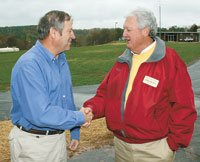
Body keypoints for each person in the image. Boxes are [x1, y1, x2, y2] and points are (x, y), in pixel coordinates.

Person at [82, 8, 197, 162]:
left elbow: (184, 106)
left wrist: (172, 145)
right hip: (122, 147)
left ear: (145, 31)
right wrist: (91, 108)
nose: (124, 34)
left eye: (128, 29)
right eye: (124, 29)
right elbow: (105, 95)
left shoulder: (169, 61)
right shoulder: (122, 61)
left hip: (155, 150)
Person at [9, 10, 92, 162]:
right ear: (54, 32)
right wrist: (80, 117)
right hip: (34, 146)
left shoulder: (60, 58)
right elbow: (41, 114)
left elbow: (65, 99)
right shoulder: (29, 65)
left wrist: (74, 133)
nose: (73, 36)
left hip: (58, 140)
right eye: (70, 31)